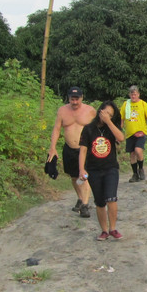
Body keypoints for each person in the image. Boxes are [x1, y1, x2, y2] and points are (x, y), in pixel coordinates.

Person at [79, 101, 125, 240]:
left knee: (111, 198)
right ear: (100, 111)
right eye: (106, 113)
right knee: (99, 202)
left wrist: (109, 122)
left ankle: (113, 228)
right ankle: (104, 231)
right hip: (94, 169)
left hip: (110, 168)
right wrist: (81, 169)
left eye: (111, 115)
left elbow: (121, 138)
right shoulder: (88, 129)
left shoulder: (111, 127)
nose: (107, 116)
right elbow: (83, 150)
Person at [48, 87, 96, 218]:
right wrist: (52, 147)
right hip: (69, 149)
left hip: (85, 149)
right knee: (74, 177)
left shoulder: (90, 111)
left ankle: (85, 205)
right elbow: (57, 129)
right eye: (72, 99)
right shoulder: (62, 111)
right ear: (68, 98)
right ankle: (80, 198)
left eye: (77, 99)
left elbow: (98, 127)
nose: (74, 102)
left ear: (82, 98)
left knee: (84, 176)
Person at [121, 85, 147, 182]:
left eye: (135, 94)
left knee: (138, 150)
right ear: (129, 95)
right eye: (132, 94)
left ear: (138, 94)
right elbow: (121, 118)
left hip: (141, 133)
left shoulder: (143, 104)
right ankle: (135, 174)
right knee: (132, 154)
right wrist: (119, 131)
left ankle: (141, 168)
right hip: (129, 134)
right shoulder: (126, 104)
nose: (133, 96)